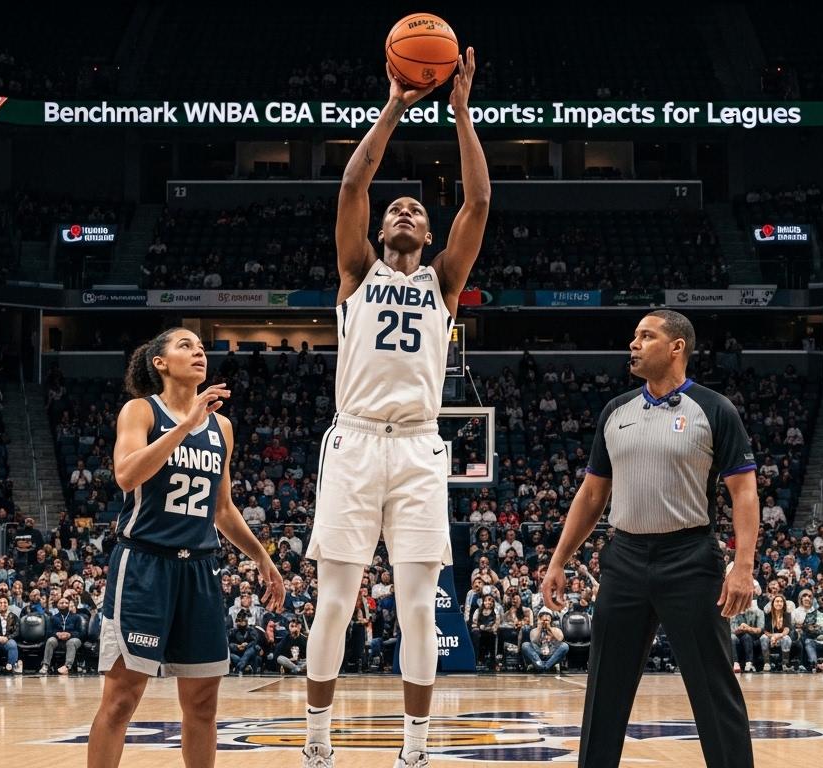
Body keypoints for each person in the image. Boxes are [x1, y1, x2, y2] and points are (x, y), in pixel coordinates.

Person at [303, 48, 489, 768]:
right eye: (396, 209)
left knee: (418, 607)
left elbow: (478, 202)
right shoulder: (357, 272)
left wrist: (461, 112)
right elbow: (353, 182)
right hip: (354, 443)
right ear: (381, 233)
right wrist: (395, 103)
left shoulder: (444, 282)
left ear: (430, 235)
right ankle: (317, 739)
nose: (406, 208)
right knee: (335, 604)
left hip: (417, 446)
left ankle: (414, 750)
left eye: (418, 208)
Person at [541, 311, 758, 768]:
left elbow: (744, 492)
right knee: (605, 690)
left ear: (677, 347)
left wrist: (743, 566)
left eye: (646, 336)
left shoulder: (714, 409)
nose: (633, 345)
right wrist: (559, 559)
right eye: (634, 337)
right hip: (624, 558)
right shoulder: (615, 411)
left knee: (714, 689)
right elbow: (592, 494)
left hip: (691, 558)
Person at [87, 328, 283, 768]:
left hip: (200, 569)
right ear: (159, 362)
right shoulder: (140, 411)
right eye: (184, 346)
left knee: (202, 707)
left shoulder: (222, 427)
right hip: (143, 565)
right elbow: (126, 475)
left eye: (200, 347)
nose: (198, 352)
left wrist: (262, 556)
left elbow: (224, 508)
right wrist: (185, 426)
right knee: (121, 701)